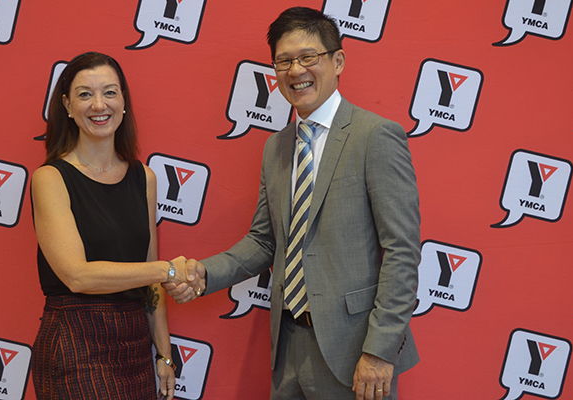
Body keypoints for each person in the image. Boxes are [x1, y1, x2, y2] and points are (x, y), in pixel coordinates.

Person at [165, 7, 421, 400]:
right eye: (284, 61)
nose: (295, 70)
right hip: (287, 347)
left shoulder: (376, 136)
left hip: (356, 353)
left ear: (337, 61)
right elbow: (264, 242)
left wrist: (379, 350)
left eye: (308, 57)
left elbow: (402, 251)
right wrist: (203, 273)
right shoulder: (277, 146)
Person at [31, 51, 185, 400]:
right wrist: (167, 270)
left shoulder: (143, 177)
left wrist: (163, 354)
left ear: (124, 101)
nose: (99, 104)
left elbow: (151, 281)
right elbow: (77, 276)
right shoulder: (51, 179)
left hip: (133, 346)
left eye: (110, 92)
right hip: (75, 341)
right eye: (85, 94)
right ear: (68, 106)